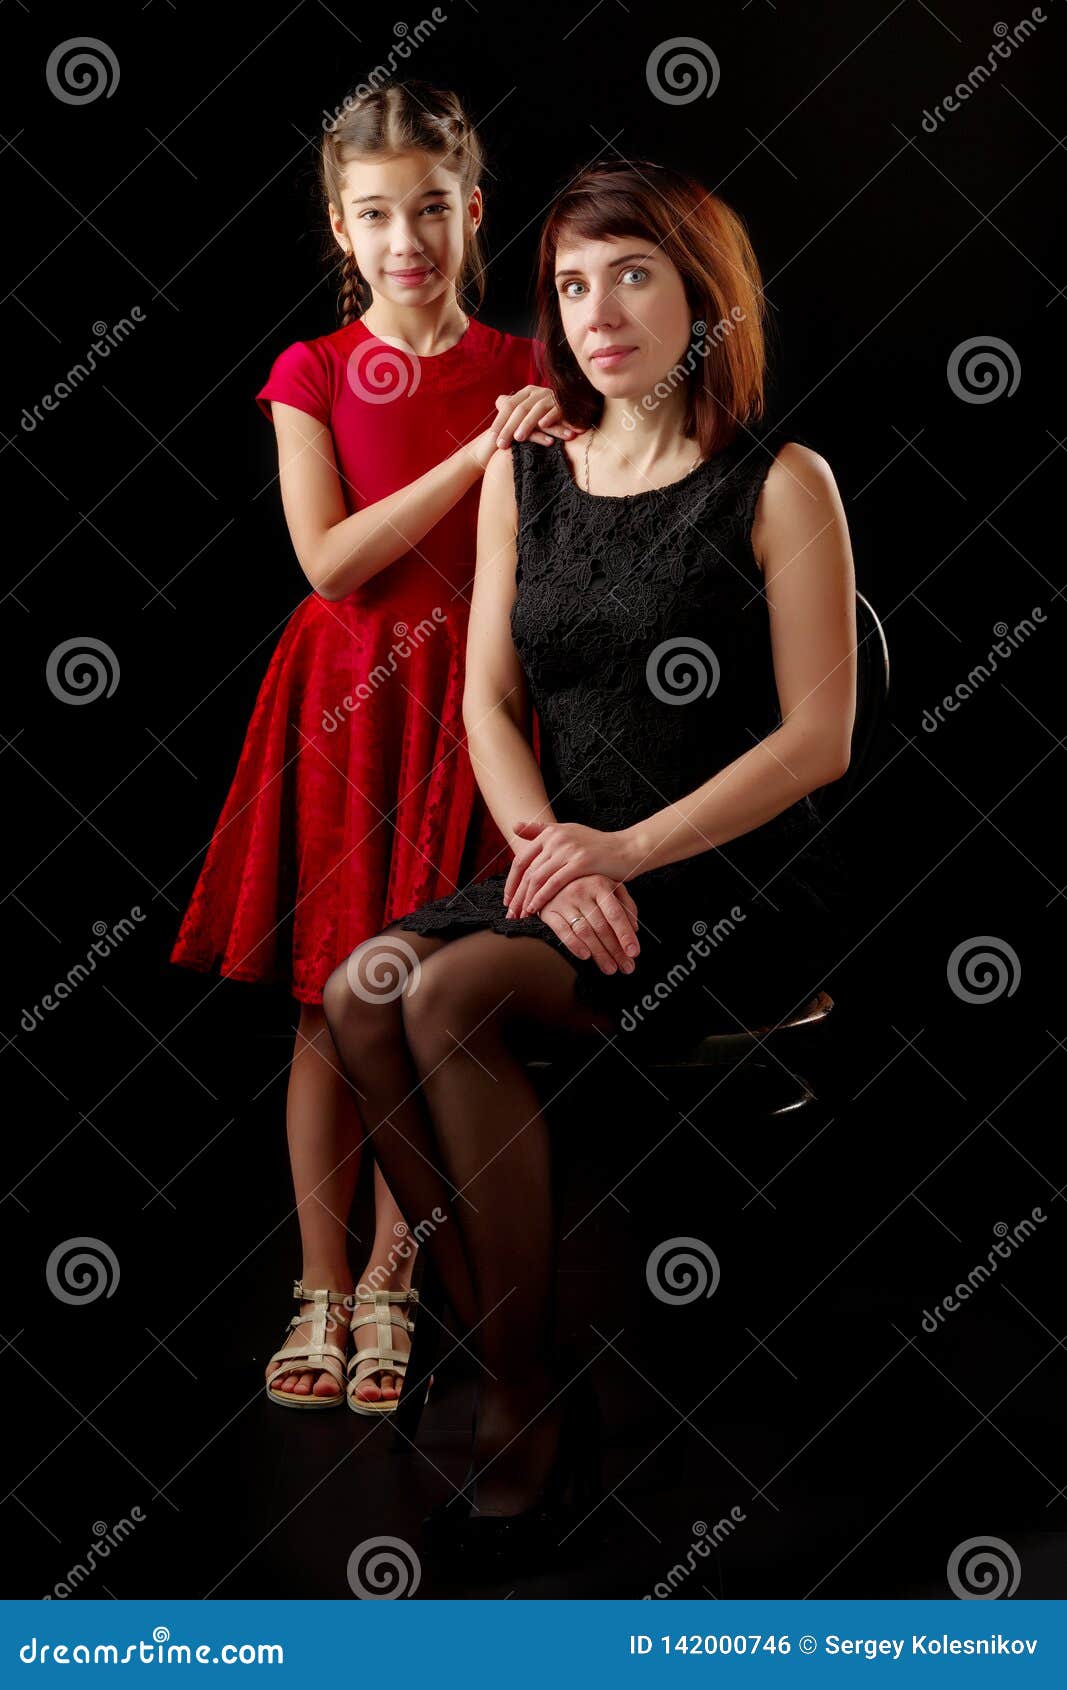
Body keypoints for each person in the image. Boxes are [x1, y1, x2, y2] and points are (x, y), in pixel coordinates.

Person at [321, 156, 857, 1571]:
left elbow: (819, 736)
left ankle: (521, 1397)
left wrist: (623, 848)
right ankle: (517, 1322)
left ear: (702, 293)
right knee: (360, 986)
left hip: (720, 878)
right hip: (561, 860)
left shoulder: (783, 482)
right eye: (569, 282)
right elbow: (488, 705)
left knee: (441, 1003)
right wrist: (560, 859)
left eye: (632, 272)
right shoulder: (528, 472)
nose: (597, 309)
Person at [169, 81, 585, 1415]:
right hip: (347, 699)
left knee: (406, 990)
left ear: (473, 211)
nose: (405, 236)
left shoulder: (530, 367)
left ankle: (399, 1281)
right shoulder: (315, 371)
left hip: (474, 704)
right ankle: (321, 1280)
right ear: (338, 227)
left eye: (430, 208)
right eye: (373, 214)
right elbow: (332, 559)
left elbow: (566, 558)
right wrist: (476, 459)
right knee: (320, 1004)